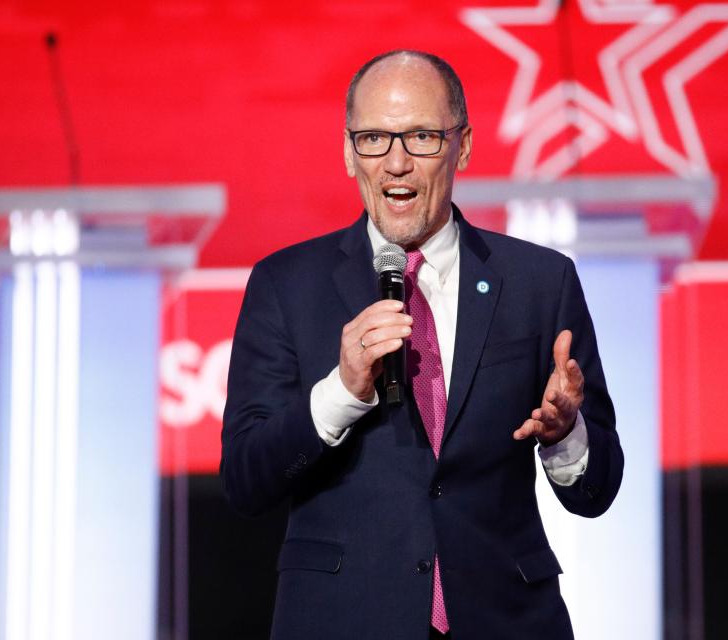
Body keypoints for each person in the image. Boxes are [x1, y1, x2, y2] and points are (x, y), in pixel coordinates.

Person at [221, 50, 623, 640]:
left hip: (506, 619)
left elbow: (598, 491)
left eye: (422, 137)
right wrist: (341, 392)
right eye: (374, 139)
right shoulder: (286, 285)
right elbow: (246, 480)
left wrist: (567, 438)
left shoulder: (540, 282)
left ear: (461, 146)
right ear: (347, 151)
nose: (397, 163)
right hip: (340, 619)